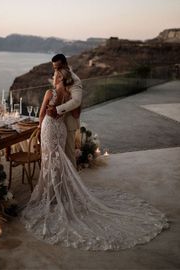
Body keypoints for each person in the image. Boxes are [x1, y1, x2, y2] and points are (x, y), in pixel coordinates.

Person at [22, 67, 169, 251]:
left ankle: (52, 195)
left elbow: (41, 115)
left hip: (48, 128)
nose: (54, 77)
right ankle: (57, 193)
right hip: (59, 130)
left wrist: (39, 133)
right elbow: (75, 114)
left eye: (56, 75)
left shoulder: (49, 92)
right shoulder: (69, 96)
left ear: (57, 78)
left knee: (49, 161)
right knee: (58, 160)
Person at [47, 54, 82, 168]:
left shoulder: (75, 80)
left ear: (65, 65)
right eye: (54, 67)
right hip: (57, 124)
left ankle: (72, 183)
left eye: (58, 67)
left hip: (68, 121)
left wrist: (57, 110)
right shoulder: (59, 76)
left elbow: (77, 101)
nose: (56, 70)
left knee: (69, 155)